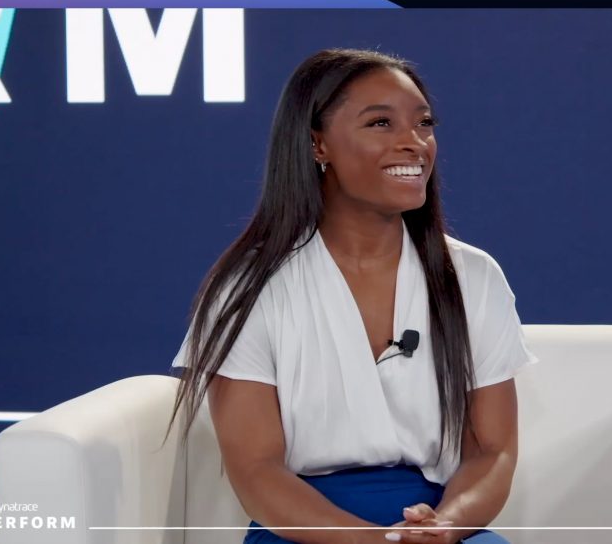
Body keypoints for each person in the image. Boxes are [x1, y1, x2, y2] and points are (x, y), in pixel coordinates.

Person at [167, 48, 538, 544]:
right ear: (318, 144)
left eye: (424, 123)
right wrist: (369, 541)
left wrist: (445, 527)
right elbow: (256, 470)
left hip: (432, 524)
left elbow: (492, 452)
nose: (415, 144)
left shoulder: (474, 275)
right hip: (304, 529)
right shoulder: (246, 286)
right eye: (381, 123)